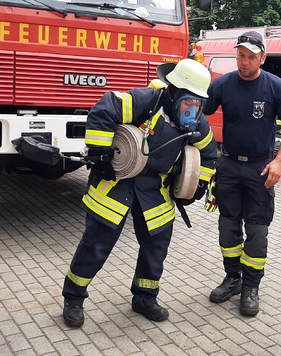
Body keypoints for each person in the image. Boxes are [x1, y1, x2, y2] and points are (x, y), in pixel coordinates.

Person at [62, 58, 217, 327]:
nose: (192, 110)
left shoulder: (197, 124)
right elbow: (104, 109)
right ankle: (73, 298)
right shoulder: (146, 101)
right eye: (188, 102)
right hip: (117, 181)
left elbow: (210, 155)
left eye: (198, 104)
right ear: (173, 92)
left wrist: (198, 185)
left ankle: (145, 297)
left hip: (155, 188)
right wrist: (101, 153)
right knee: (97, 244)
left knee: (156, 246)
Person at [203, 30, 281, 316]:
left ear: (263, 58)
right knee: (227, 226)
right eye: (240, 56)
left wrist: (279, 161)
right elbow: (198, 113)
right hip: (229, 165)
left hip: (261, 167)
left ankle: (251, 287)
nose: (244, 62)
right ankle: (233, 278)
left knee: (257, 231)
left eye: (251, 57)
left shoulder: (275, 87)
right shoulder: (222, 85)